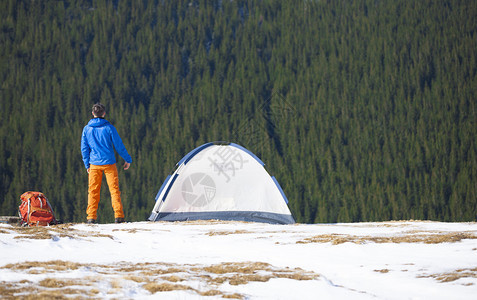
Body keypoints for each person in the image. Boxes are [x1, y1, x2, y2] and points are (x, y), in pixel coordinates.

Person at [81, 103, 132, 224]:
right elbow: (118, 145)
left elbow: (84, 148)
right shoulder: (109, 128)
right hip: (109, 163)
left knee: (93, 191)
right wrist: (127, 159)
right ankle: (119, 216)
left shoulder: (87, 129)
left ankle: (91, 217)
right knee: (114, 190)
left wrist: (87, 164)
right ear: (104, 113)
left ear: (93, 114)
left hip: (94, 164)